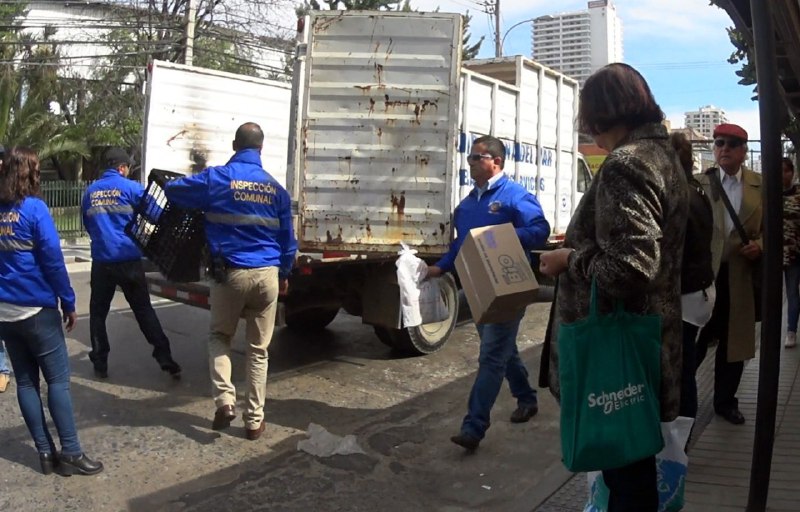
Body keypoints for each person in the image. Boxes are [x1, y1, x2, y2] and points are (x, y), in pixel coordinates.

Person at [539, 63, 688, 511]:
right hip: (651, 337)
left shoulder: (627, 163)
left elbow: (629, 267)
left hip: (619, 350)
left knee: (625, 467)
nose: (592, 133)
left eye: (591, 122)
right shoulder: (665, 157)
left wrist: (569, 259)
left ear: (603, 115)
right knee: (635, 459)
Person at [165, 122, 297, 441]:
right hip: (267, 276)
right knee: (258, 350)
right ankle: (254, 422)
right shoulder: (276, 190)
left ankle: (225, 401)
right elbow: (288, 242)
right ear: (261, 149)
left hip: (230, 273)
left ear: (234, 145)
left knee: (219, 336)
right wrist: (285, 275)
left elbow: (173, 191)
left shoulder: (217, 179)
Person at [427, 135, 550, 451]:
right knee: (502, 350)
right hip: (478, 287)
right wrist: (439, 267)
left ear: (496, 161)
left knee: (492, 356)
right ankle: (526, 397)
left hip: (508, 287)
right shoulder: (467, 205)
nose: (470, 163)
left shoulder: (514, 197)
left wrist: (497, 237)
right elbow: (460, 244)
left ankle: (474, 427)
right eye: (469, 158)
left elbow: (540, 230)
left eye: (476, 158)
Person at [0, 147, 103, 476]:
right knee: (58, 380)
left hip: (5, 313)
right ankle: (71, 450)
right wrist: (69, 302)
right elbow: (54, 263)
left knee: (26, 383)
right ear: (29, 172)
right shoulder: (35, 210)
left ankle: (45, 453)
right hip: (36, 310)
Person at [81, 147, 181, 379]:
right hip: (128, 260)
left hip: (102, 262)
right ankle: (164, 355)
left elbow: (87, 224)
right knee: (143, 310)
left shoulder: (90, 193)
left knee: (97, 313)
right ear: (122, 167)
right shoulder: (131, 188)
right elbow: (156, 213)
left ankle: (100, 360)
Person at [694, 123, 762, 425]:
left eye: (733, 144)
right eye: (719, 143)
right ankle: (681, 402)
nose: (724, 148)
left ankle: (725, 402)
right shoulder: (700, 183)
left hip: (740, 278)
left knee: (734, 345)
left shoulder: (761, 185)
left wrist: (760, 245)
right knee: (694, 342)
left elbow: (774, 229)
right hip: (703, 279)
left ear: (744, 151)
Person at [670, 132, 715, 419]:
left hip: (686, 294)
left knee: (681, 370)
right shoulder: (697, 190)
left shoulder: (677, 196)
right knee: (684, 366)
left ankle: (680, 444)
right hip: (700, 291)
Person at [783, 157, 800, 348]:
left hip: (796, 252)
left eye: (786, 170)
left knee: (793, 293)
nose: (783, 174)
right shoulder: (770, 195)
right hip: (784, 255)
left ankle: (791, 329)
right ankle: (791, 330)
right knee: (792, 293)